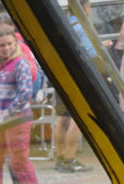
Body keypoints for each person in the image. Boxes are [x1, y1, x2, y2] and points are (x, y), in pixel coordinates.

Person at [0, 25, 40, 184]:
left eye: (10, 44)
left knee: (19, 162)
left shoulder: (20, 63)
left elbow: (25, 93)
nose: (6, 48)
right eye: (2, 45)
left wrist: (7, 113)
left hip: (17, 120)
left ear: (15, 43)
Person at [55, 0, 95, 172]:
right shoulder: (82, 27)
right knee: (77, 120)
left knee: (62, 119)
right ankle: (70, 159)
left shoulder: (63, 24)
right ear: (84, 8)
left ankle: (60, 157)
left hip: (61, 74)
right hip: (79, 76)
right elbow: (90, 54)